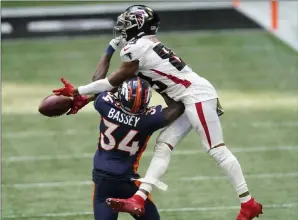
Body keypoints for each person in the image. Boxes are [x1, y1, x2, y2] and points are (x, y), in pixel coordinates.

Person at [53, 5, 263, 220]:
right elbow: (116, 85)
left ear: (139, 25)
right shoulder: (145, 47)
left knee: (215, 149)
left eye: (128, 23)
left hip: (195, 96)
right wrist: (85, 100)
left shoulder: (136, 50)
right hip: (187, 98)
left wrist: (78, 92)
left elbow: (112, 81)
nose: (123, 28)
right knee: (163, 144)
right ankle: (138, 198)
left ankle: (248, 203)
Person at [67, 77, 184, 220]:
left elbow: (98, 83)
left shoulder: (105, 104)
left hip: (103, 181)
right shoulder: (148, 120)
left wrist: (109, 54)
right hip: (127, 181)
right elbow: (178, 106)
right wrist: (155, 81)